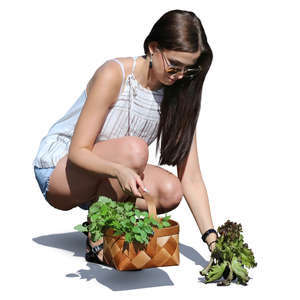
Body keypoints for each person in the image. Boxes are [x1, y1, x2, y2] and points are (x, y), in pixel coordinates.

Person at [33, 9, 218, 264]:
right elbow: (78, 151)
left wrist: (212, 239)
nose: (178, 76)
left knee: (170, 190)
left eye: (187, 70)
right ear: (154, 48)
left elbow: (192, 178)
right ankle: (98, 237)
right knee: (136, 151)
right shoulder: (115, 74)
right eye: (174, 65)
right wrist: (118, 171)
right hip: (60, 169)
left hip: (109, 173)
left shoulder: (178, 96)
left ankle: (102, 218)